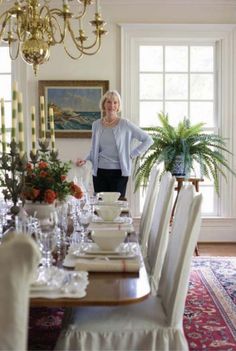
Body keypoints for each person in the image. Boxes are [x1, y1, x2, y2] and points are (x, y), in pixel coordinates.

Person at [76, 90, 153, 198]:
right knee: (100, 207)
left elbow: (148, 139)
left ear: (118, 106)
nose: (111, 105)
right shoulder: (96, 125)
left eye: (115, 102)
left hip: (119, 173)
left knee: (116, 208)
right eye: (108, 102)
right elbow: (94, 149)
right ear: (104, 104)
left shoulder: (125, 124)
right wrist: (85, 160)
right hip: (99, 173)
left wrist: (131, 155)